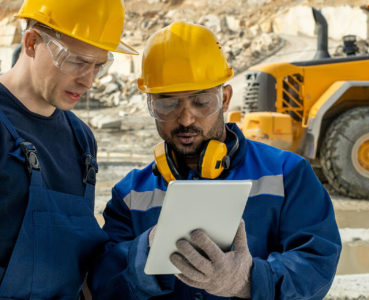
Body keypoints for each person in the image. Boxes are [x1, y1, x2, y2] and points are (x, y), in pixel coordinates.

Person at [89, 21, 341, 299]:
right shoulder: (130, 194)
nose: (185, 118)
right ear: (151, 106)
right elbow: (101, 284)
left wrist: (248, 281)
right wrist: (145, 251)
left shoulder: (287, 174)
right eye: (167, 103)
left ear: (224, 100)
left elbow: (317, 263)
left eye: (200, 101)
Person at [0, 0, 137, 297]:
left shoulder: (81, 138)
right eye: (76, 61)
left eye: (98, 66)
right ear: (32, 42)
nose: (88, 80)